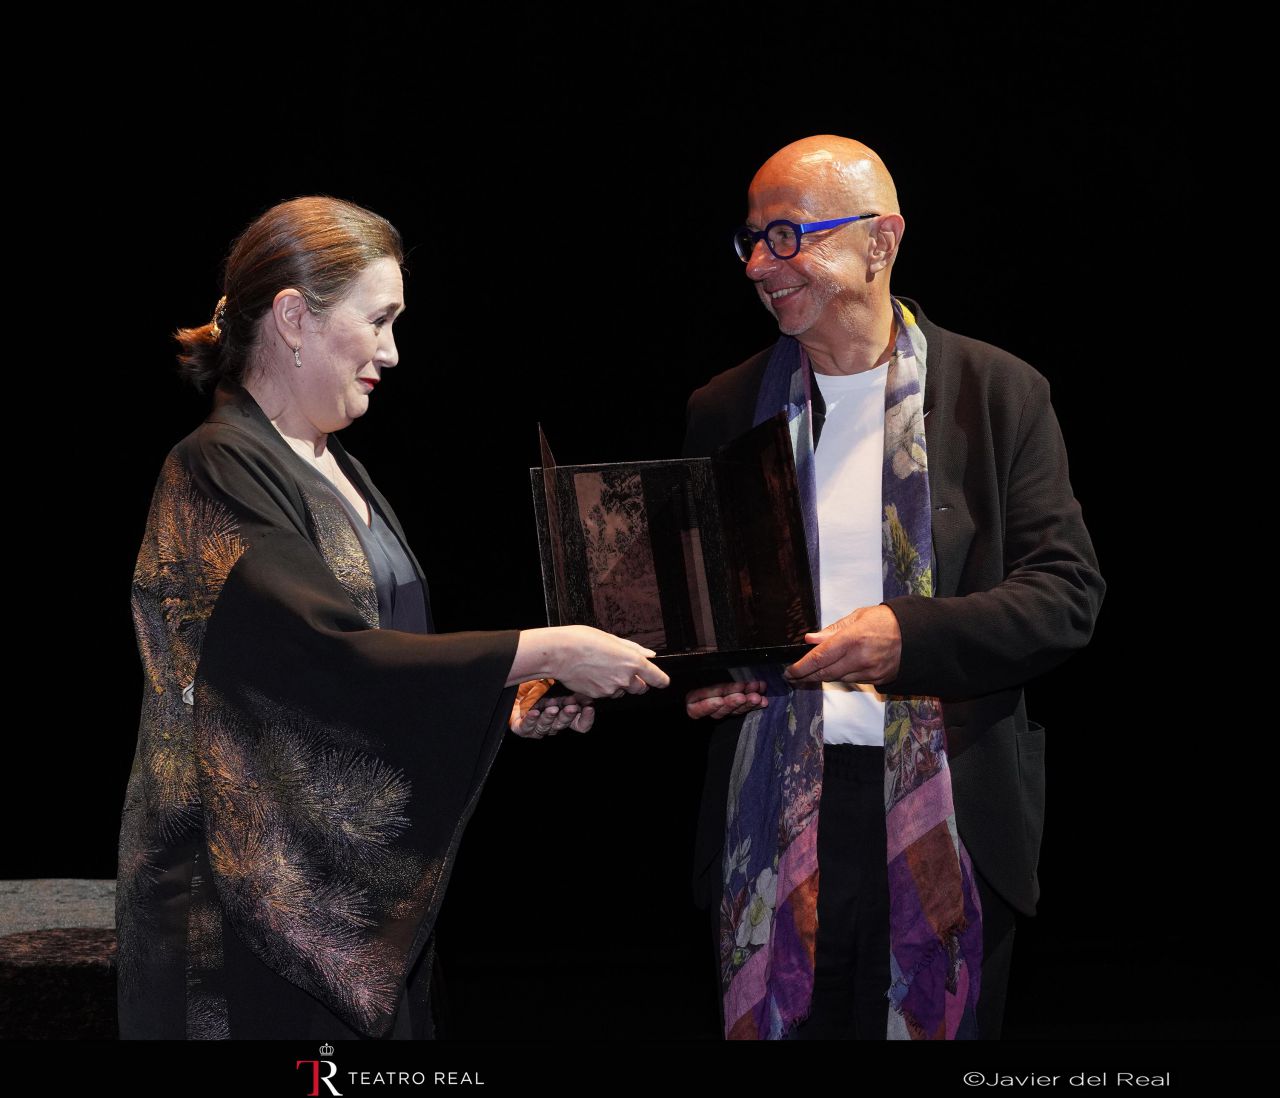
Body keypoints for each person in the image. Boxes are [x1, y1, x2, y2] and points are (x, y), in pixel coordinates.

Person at [117, 196, 669, 1040]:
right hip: (237, 917)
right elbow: (317, 661)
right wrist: (542, 648)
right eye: (378, 320)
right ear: (294, 318)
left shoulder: (335, 466)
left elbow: (382, 663)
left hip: (332, 899)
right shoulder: (215, 467)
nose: (392, 351)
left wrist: (504, 703)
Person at [684, 137, 1104, 1041]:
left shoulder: (996, 393)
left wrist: (906, 639)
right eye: (752, 239)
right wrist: (714, 676)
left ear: (881, 241)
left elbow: (1066, 594)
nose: (760, 265)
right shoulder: (725, 407)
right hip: (775, 806)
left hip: (949, 806)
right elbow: (708, 611)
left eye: (788, 236)